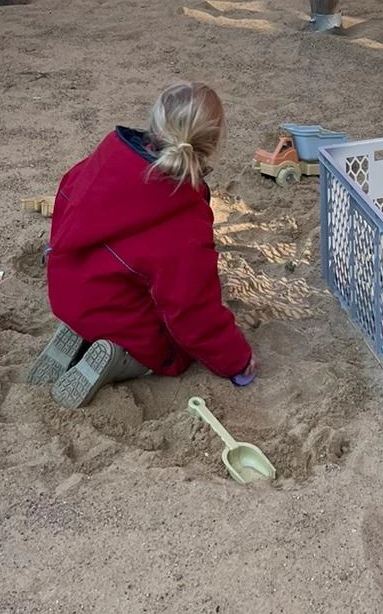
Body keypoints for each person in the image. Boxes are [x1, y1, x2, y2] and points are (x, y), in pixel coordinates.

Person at [26, 82, 255, 408]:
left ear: (154, 122)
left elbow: (65, 203)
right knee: (176, 353)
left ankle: (82, 331)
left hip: (66, 291)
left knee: (119, 276)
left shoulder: (106, 159)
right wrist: (236, 360)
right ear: (211, 145)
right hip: (119, 318)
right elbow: (192, 313)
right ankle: (119, 358)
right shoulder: (184, 217)